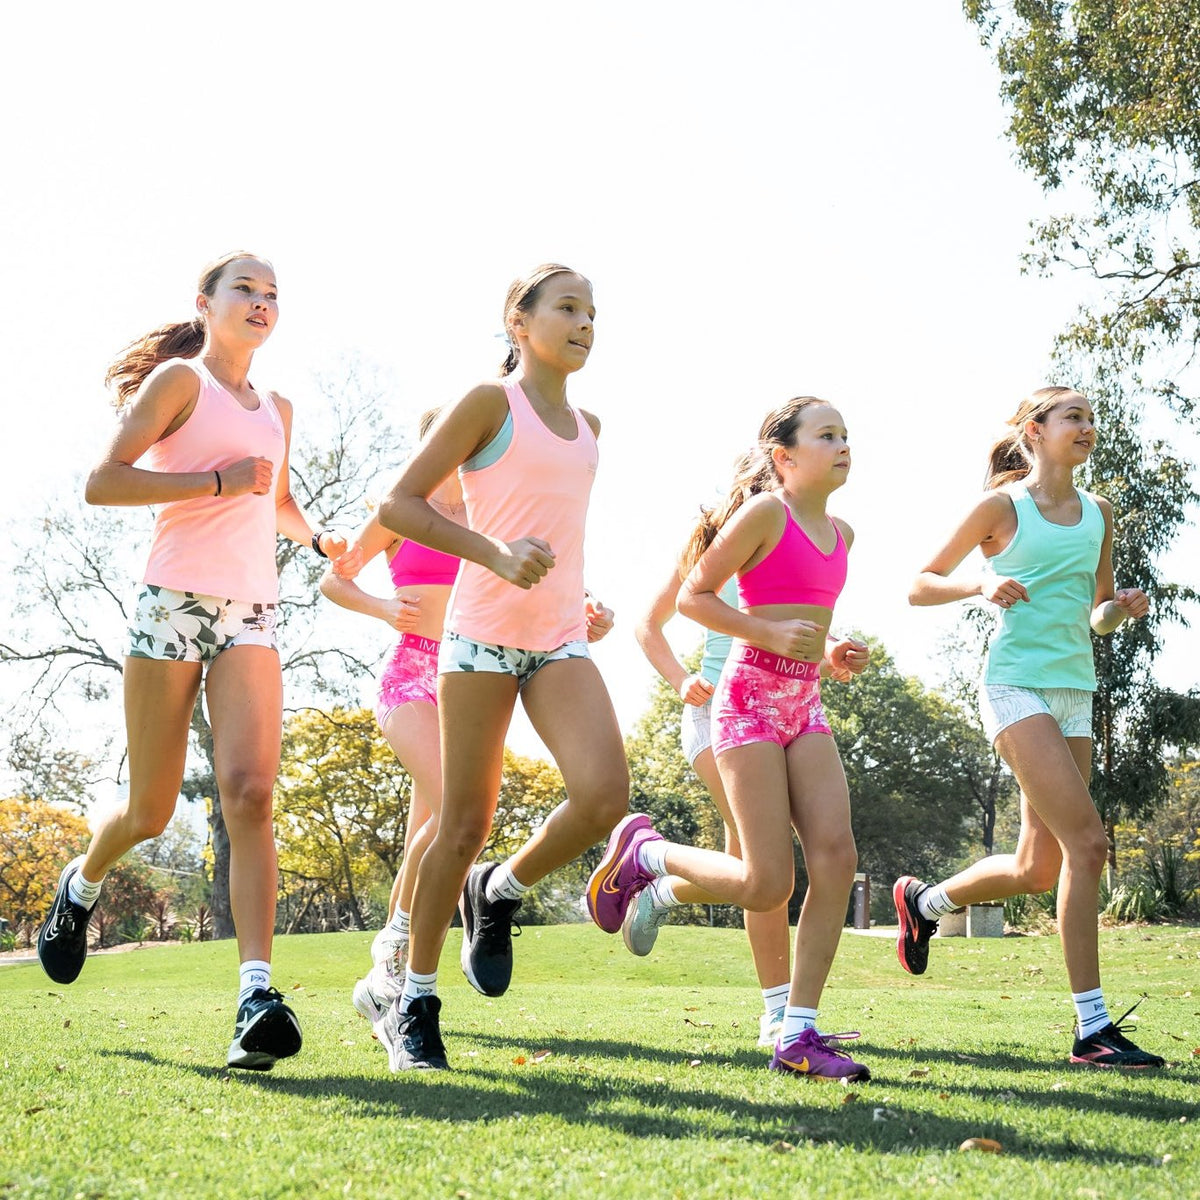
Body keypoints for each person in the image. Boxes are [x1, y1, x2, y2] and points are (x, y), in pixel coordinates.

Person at [35, 252, 351, 1071]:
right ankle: (82, 881)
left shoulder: (277, 407)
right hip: (171, 603)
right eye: (244, 288)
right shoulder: (180, 383)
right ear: (204, 304)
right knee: (149, 809)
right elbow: (103, 482)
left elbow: (273, 498)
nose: (261, 302)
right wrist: (214, 480)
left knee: (251, 794)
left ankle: (255, 994)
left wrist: (317, 537)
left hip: (252, 612)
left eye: (273, 293)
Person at [373, 264, 628, 1070]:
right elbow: (398, 505)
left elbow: (554, 527)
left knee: (603, 798)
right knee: (459, 823)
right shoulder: (490, 403)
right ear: (519, 323)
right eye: (567, 308)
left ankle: (502, 890)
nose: (585, 323)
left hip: (558, 640)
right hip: (479, 638)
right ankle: (411, 1001)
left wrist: (584, 599)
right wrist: (491, 553)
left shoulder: (590, 425)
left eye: (592, 312)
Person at [587, 397, 872, 1081]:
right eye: (825, 435)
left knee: (836, 856)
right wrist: (768, 635)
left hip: (805, 703)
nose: (842, 444)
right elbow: (694, 597)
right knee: (766, 879)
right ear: (784, 456)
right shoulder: (764, 514)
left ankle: (796, 1032)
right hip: (745, 703)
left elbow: (807, 612)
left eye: (845, 435)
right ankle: (649, 856)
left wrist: (832, 652)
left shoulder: (843, 534)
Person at [320, 411, 613, 1043]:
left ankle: (386, 979)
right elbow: (333, 580)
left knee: (441, 828)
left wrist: (582, 611)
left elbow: (532, 576)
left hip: (471, 675)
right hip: (410, 679)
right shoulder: (402, 506)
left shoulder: (490, 507)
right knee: (455, 813)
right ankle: (393, 964)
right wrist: (379, 607)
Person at [896, 386, 1164, 1068]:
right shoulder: (1001, 508)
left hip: (1076, 689)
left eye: (1090, 417)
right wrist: (977, 585)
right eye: (1072, 416)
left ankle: (925, 903)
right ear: (1034, 431)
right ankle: (1092, 1028)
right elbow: (919, 582)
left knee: (1036, 864)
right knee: (1089, 845)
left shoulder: (1099, 513)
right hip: (1014, 685)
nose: (1086, 426)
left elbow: (1096, 612)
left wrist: (1120, 611)